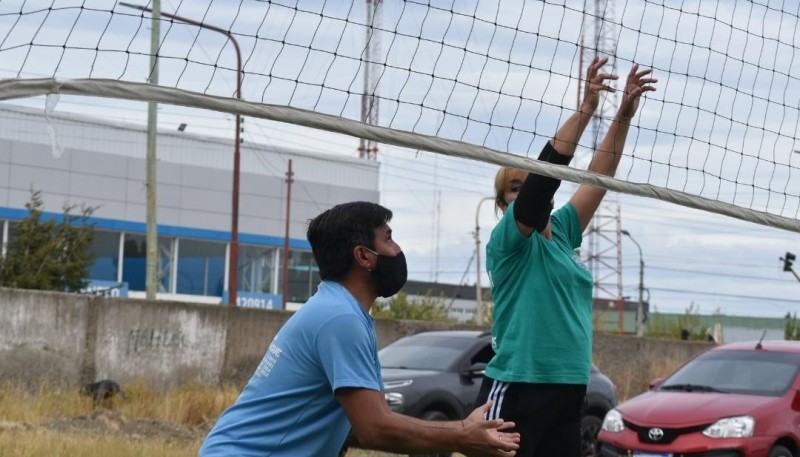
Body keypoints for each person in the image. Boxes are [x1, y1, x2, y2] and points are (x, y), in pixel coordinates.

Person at [199, 201, 521, 457]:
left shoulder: (338, 309)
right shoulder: (341, 319)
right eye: (388, 238)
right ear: (364, 257)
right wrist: (464, 434)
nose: (397, 249)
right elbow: (375, 428)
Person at [475, 57, 657, 457]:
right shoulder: (509, 242)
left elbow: (601, 172)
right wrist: (585, 109)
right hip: (519, 386)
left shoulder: (563, 233)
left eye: (525, 185)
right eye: (513, 188)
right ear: (504, 203)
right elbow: (545, 178)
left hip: (570, 386)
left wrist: (623, 113)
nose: (522, 193)